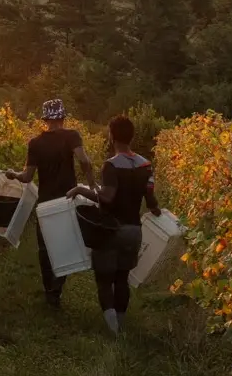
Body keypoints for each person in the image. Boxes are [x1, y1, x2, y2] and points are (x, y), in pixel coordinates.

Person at [67, 115, 161, 335]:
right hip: (133, 231)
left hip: (111, 230)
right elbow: (152, 202)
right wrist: (157, 212)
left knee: (104, 278)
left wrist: (81, 190)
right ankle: (121, 324)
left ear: (111, 136)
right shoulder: (146, 165)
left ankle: (114, 330)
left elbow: (108, 198)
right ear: (132, 136)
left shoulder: (111, 165)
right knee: (122, 278)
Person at [5, 98, 95, 308]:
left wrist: (12, 174)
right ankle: (57, 288)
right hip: (68, 199)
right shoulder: (72, 136)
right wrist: (92, 187)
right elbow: (84, 161)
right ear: (63, 117)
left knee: (45, 248)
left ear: (45, 119)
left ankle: (49, 291)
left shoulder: (35, 143)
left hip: (45, 203)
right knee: (64, 245)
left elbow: (27, 177)